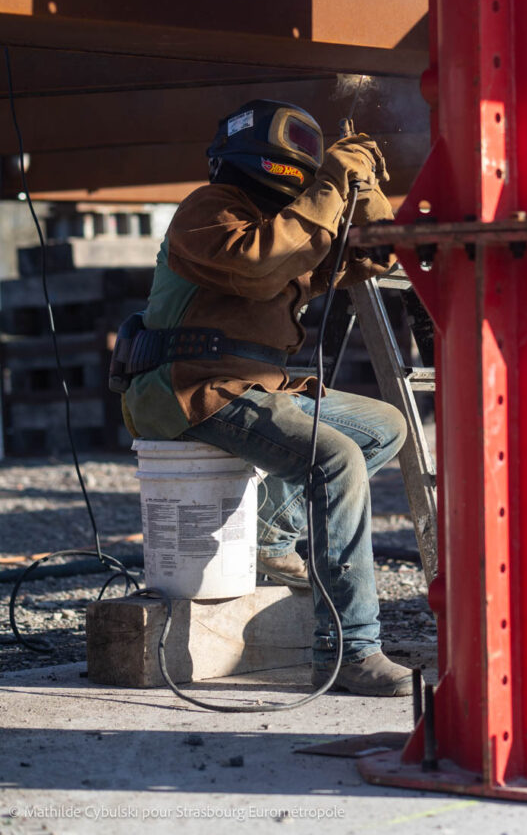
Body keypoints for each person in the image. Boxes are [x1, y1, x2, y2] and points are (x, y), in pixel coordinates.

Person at [122, 99, 412, 696]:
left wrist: (364, 190)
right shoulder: (210, 210)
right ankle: (350, 650)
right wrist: (331, 182)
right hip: (192, 386)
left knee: (384, 426)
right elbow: (260, 264)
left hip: (255, 386)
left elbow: (373, 257)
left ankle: (272, 537)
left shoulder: (290, 227)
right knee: (335, 459)